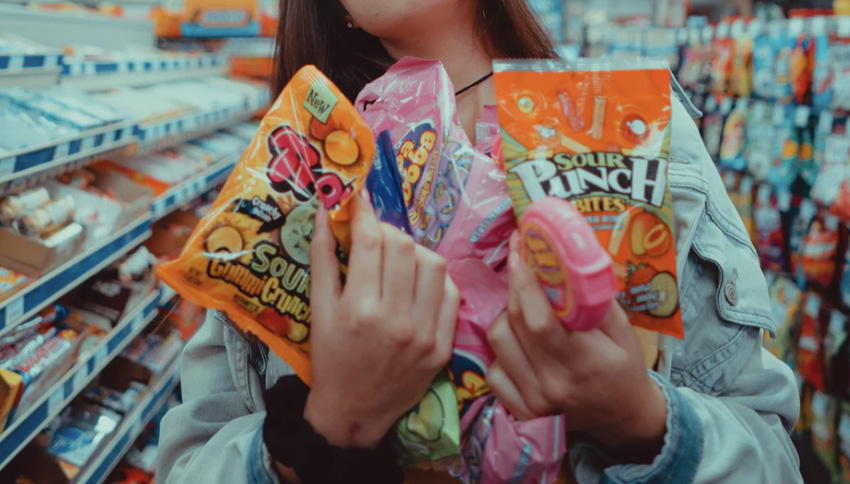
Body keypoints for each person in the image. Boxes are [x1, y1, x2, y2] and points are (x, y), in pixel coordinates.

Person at [156, 1, 803, 483]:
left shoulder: (635, 132)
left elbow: (771, 456)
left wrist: (637, 418)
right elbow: (187, 460)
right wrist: (328, 428)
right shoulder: (291, 181)